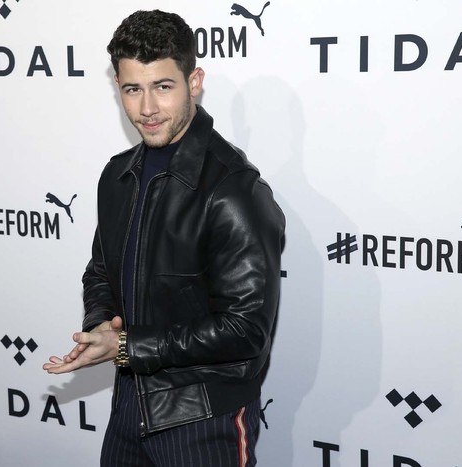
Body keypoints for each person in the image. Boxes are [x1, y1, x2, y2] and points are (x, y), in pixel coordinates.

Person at [43, 9, 285, 467]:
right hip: (130, 404)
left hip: (204, 419)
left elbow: (246, 329)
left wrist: (128, 347)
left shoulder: (233, 189)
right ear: (118, 87)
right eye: (133, 89)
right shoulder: (118, 175)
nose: (147, 108)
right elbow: (101, 269)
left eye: (163, 86)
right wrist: (103, 324)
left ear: (194, 81)